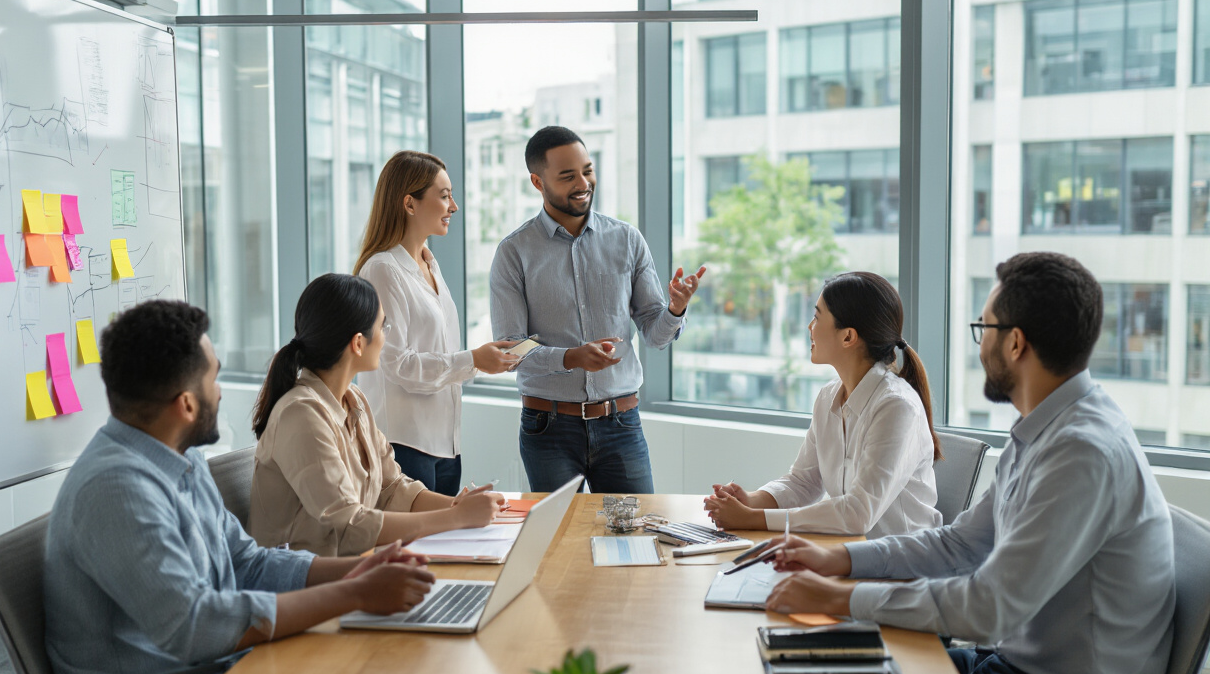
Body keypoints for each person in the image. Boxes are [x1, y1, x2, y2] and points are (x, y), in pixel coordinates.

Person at [765, 253, 1174, 674]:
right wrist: (839, 558)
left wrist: (837, 596)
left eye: (984, 328)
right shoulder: (1043, 433)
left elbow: (989, 608)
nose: (979, 344)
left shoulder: (1082, 453)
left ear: (1015, 343)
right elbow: (960, 545)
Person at [44, 300, 437, 674]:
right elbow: (196, 626)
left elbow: (246, 561)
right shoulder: (116, 490)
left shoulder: (176, 454)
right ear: (185, 404)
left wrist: (357, 569)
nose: (221, 392)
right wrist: (352, 594)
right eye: (213, 379)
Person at [489, 125, 705, 493]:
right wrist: (570, 357)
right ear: (538, 182)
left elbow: (654, 335)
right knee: (558, 542)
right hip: (548, 428)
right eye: (567, 176)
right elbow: (511, 348)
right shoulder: (514, 253)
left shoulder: (626, 239)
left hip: (621, 424)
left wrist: (674, 309)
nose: (583, 183)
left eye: (588, 170)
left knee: (634, 538)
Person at [249, 273, 502, 556]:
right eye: (384, 326)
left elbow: (393, 488)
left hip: (348, 570)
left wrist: (458, 506)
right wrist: (456, 518)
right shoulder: (300, 414)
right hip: (303, 584)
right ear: (358, 343)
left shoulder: (353, 399)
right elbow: (350, 525)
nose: (386, 336)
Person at [704, 272, 941, 538]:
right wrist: (752, 500)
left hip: (902, 566)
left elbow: (857, 514)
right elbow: (804, 481)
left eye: (817, 317)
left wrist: (753, 519)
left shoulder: (897, 407)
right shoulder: (829, 396)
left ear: (848, 337)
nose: (809, 327)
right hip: (849, 554)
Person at [354, 151, 519, 495]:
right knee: (419, 547)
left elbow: (436, 354)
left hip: (446, 444)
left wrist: (479, 360)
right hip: (403, 445)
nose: (453, 206)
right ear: (410, 204)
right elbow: (398, 364)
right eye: (444, 196)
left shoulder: (430, 264)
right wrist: (473, 360)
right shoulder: (383, 270)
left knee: (445, 547)